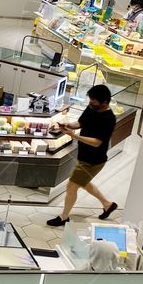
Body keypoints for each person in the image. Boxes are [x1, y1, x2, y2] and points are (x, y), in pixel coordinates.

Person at [47, 84, 118, 226]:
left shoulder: (109, 119)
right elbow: (80, 123)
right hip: (84, 155)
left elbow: (97, 142)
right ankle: (107, 204)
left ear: (104, 102)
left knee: (71, 186)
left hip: (93, 160)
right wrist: (67, 126)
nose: (91, 102)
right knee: (83, 182)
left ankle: (64, 217)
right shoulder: (92, 108)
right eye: (90, 99)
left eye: (94, 101)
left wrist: (74, 136)